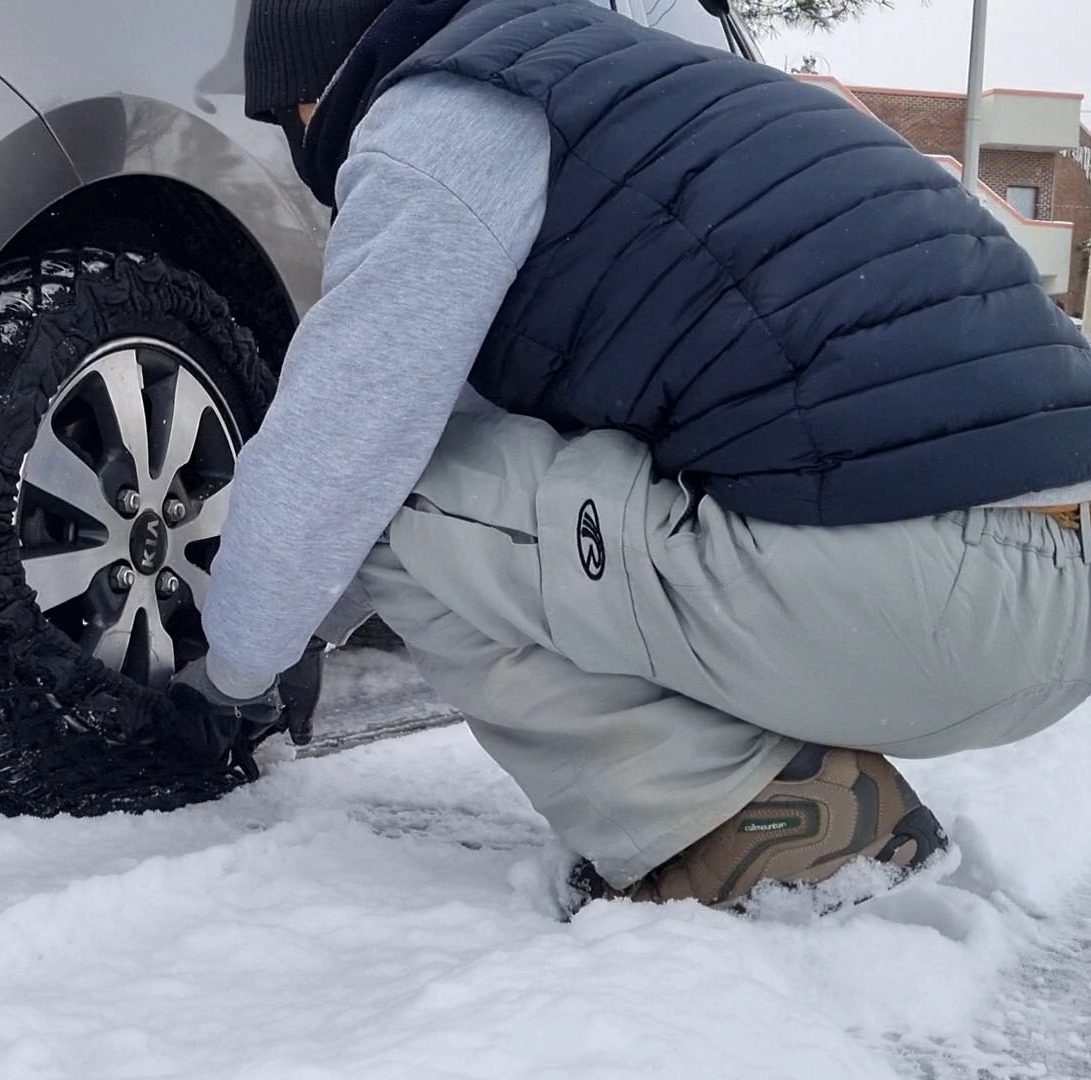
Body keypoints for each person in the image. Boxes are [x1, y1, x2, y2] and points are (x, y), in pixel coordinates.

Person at [167, 0, 1091, 910]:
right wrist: (309, 628)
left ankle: (734, 818)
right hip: (1047, 606)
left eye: (289, 111)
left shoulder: (438, 119)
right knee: (547, 470)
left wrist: (234, 678)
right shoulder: (644, 93)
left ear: (330, 78)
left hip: (932, 604)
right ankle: (786, 774)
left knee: (391, 495)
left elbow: (349, 457)